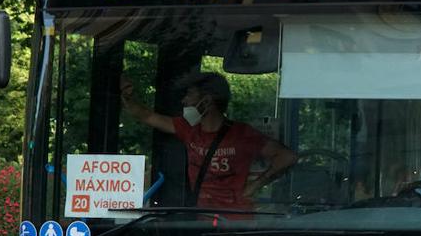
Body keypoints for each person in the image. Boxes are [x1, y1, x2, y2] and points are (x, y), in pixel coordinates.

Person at [120, 71, 297, 211]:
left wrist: (256, 184)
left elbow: (287, 157)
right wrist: (126, 96)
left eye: (189, 95)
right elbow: (147, 116)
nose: (184, 101)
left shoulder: (241, 134)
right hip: (200, 218)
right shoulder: (187, 128)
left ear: (206, 101)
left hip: (235, 222)